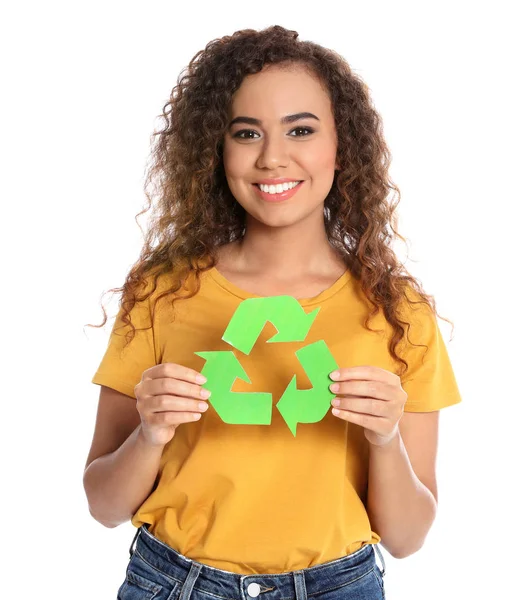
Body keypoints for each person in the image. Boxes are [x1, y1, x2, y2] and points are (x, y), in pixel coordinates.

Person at [83, 24, 462, 600]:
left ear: (341, 146)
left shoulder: (397, 310)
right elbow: (104, 506)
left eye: (301, 130)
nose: (273, 157)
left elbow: (407, 538)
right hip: (173, 583)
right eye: (246, 132)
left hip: (341, 586)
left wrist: (385, 440)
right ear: (217, 149)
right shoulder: (163, 293)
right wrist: (151, 433)